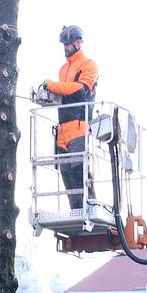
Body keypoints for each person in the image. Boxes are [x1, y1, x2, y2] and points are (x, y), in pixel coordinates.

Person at [41, 24, 99, 213]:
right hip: (63, 126)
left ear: (78, 42)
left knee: (79, 168)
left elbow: (80, 89)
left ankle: (90, 208)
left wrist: (53, 86)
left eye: (68, 44)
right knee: (66, 171)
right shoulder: (63, 69)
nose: (65, 47)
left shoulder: (89, 65)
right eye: (64, 44)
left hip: (79, 124)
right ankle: (76, 210)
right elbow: (63, 93)